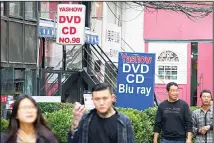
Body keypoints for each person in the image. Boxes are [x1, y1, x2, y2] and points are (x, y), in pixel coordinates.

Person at [68, 83, 134, 143]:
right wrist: (76, 122)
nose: (101, 103)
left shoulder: (124, 121)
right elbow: (73, 140)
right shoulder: (86, 119)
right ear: (92, 100)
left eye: (105, 98)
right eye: (97, 99)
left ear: (112, 98)